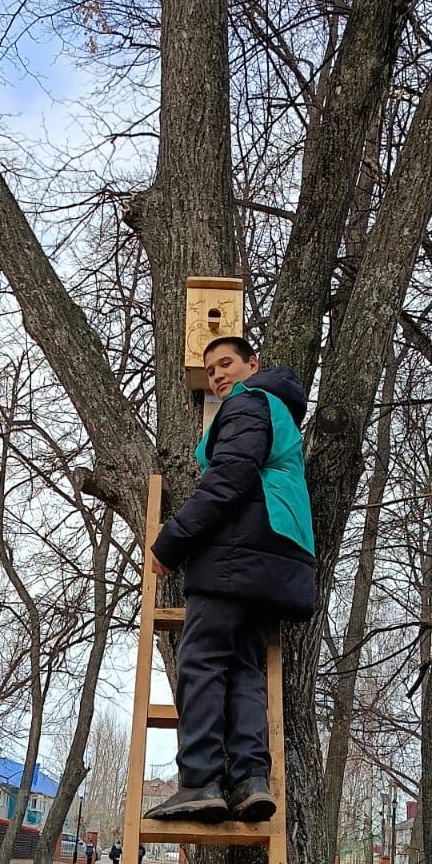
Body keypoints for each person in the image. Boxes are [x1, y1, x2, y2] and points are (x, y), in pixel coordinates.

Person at [145, 336, 314, 824]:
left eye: (227, 364)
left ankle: (200, 781)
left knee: (200, 660)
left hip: (240, 552)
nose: (219, 375)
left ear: (252, 365)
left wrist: (170, 541)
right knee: (243, 666)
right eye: (212, 369)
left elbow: (227, 480)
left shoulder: (247, 404)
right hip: (276, 557)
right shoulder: (278, 413)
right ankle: (249, 781)